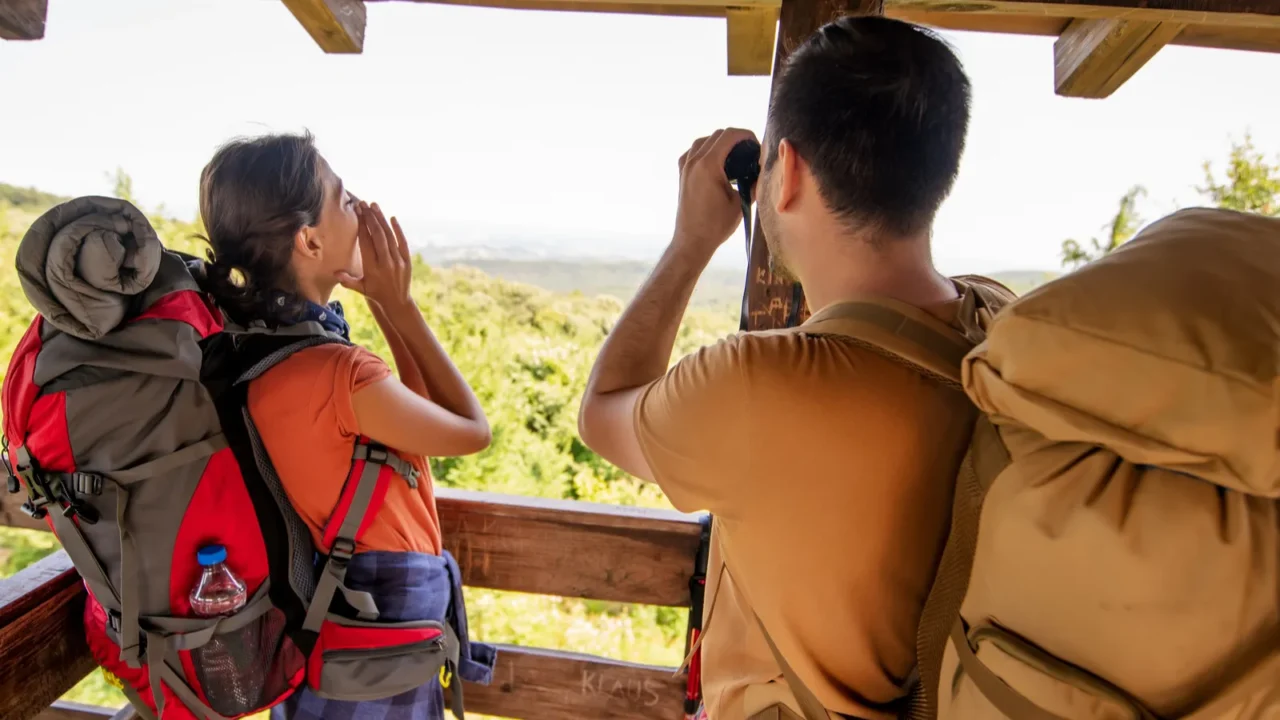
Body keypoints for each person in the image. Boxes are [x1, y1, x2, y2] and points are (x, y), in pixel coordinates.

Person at [577, 16, 1013, 720]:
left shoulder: (758, 385)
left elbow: (604, 410)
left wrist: (690, 243)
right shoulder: (1002, 323)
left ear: (790, 173)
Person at [195, 131, 495, 719]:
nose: (360, 206)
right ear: (308, 239)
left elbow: (416, 417)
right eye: (343, 196)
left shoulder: (264, 355)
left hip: (330, 622)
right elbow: (469, 430)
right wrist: (398, 304)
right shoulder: (337, 371)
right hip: (378, 616)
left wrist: (382, 302)